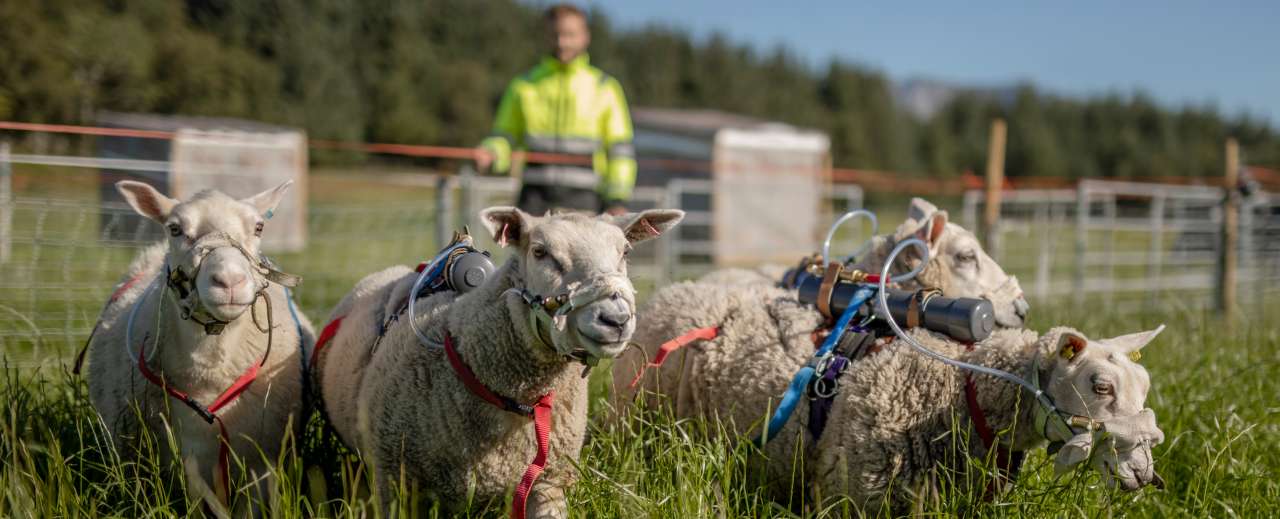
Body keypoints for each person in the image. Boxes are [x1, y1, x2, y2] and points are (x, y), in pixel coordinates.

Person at [475, 3, 636, 216]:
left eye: (570, 34)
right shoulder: (523, 85)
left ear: (585, 36)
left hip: (586, 202)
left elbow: (620, 151)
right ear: (547, 36)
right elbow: (504, 136)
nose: (562, 42)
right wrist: (492, 153)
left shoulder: (605, 88)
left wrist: (617, 199)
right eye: (556, 35)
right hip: (533, 201)